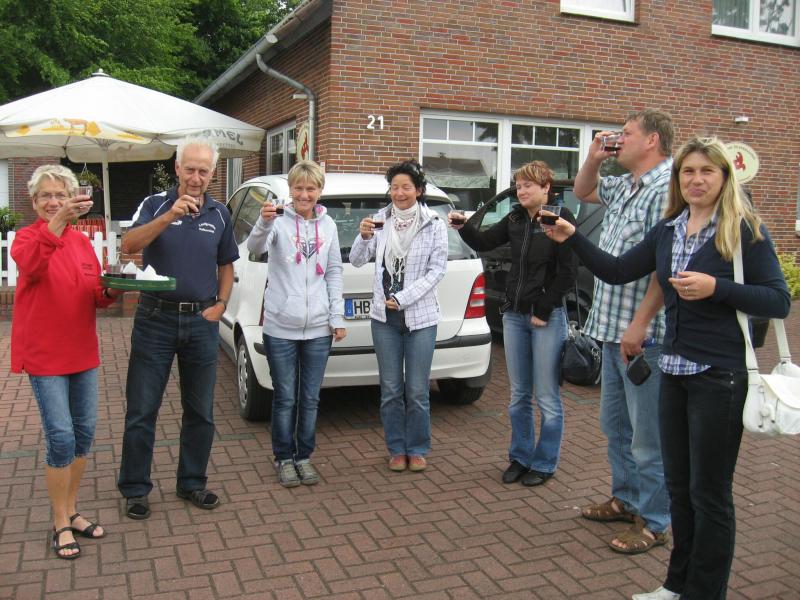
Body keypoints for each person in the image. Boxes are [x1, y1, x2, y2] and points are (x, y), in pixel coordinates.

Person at [543, 136, 791, 600]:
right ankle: (676, 585)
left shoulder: (743, 229)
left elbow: (778, 301)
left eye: (707, 171)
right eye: (688, 171)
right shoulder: (669, 229)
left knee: (709, 494)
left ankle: (704, 592)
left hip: (720, 376)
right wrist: (573, 236)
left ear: (724, 178)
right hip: (674, 371)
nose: (696, 180)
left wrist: (716, 287)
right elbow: (618, 270)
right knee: (679, 488)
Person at [117, 137, 238, 519]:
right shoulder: (154, 204)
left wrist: (221, 304)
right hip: (155, 318)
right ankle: (135, 489)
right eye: (190, 169)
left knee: (200, 410)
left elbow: (226, 265)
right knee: (142, 409)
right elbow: (128, 245)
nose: (196, 177)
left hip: (201, 321)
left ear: (212, 174)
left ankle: (192, 483)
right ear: (177, 168)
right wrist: (169, 215)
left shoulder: (220, 213)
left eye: (203, 171)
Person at [572, 109, 674, 553]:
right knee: (615, 426)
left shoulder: (667, 188)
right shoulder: (627, 184)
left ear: (652, 140)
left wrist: (641, 324)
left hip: (643, 336)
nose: (618, 140)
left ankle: (655, 521)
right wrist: (594, 156)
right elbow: (583, 190)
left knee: (648, 437)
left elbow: (666, 265)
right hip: (612, 328)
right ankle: (626, 499)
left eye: (627, 134)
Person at [11, 165, 122, 558]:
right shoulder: (27, 239)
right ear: (34, 202)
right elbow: (33, 266)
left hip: (82, 351)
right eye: (46, 195)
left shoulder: (81, 242)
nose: (53, 201)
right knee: (60, 437)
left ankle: (72, 510)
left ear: (72, 198)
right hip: (45, 356)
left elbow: (94, 293)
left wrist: (113, 289)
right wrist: (57, 223)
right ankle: (59, 521)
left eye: (60, 194)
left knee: (83, 434)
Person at [451, 161, 576, 486]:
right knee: (519, 394)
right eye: (518, 186)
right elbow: (484, 242)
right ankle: (520, 457)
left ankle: (544, 463)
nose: (521, 191)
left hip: (546, 317)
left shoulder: (559, 218)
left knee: (547, 396)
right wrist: (463, 226)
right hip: (514, 315)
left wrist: (544, 310)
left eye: (528, 185)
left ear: (546, 187)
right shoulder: (516, 218)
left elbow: (567, 273)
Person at [245, 160, 346, 488]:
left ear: (319, 191)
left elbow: (334, 271)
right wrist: (263, 222)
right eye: (298, 188)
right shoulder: (277, 219)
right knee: (285, 396)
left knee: (311, 398)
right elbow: (255, 248)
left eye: (310, 188)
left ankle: (304, 456)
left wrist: (336, 316)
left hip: (318, 327)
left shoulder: (329, 225)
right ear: (290, 189)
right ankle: (284, 457)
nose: (304, 194)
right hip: (280, 326)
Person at [350, 159, 447, 472]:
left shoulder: (434, 223)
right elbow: (356, 260)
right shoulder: (380, 221)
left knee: (417, 390)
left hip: (421, 319)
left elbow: (437, 271)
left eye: (406, 187)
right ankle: (396, 449)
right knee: (391, 389)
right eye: (394, 187)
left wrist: (402, 298)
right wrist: (363, 236)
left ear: (418, 190)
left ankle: (417, 448)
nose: (400, 193)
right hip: (384, 321)